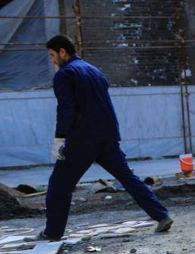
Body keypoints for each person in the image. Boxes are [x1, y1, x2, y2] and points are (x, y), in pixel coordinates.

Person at [37, 35, 173, 241]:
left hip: (81, 140)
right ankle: (162, 215)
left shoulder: (65, 74)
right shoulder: (94, 70)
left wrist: (60, 138)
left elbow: (66, 108)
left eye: (52, 55)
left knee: (59, 185)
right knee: (128, 178)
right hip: (107, 136)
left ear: (62, 52)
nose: (52, 60)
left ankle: (52, 232)